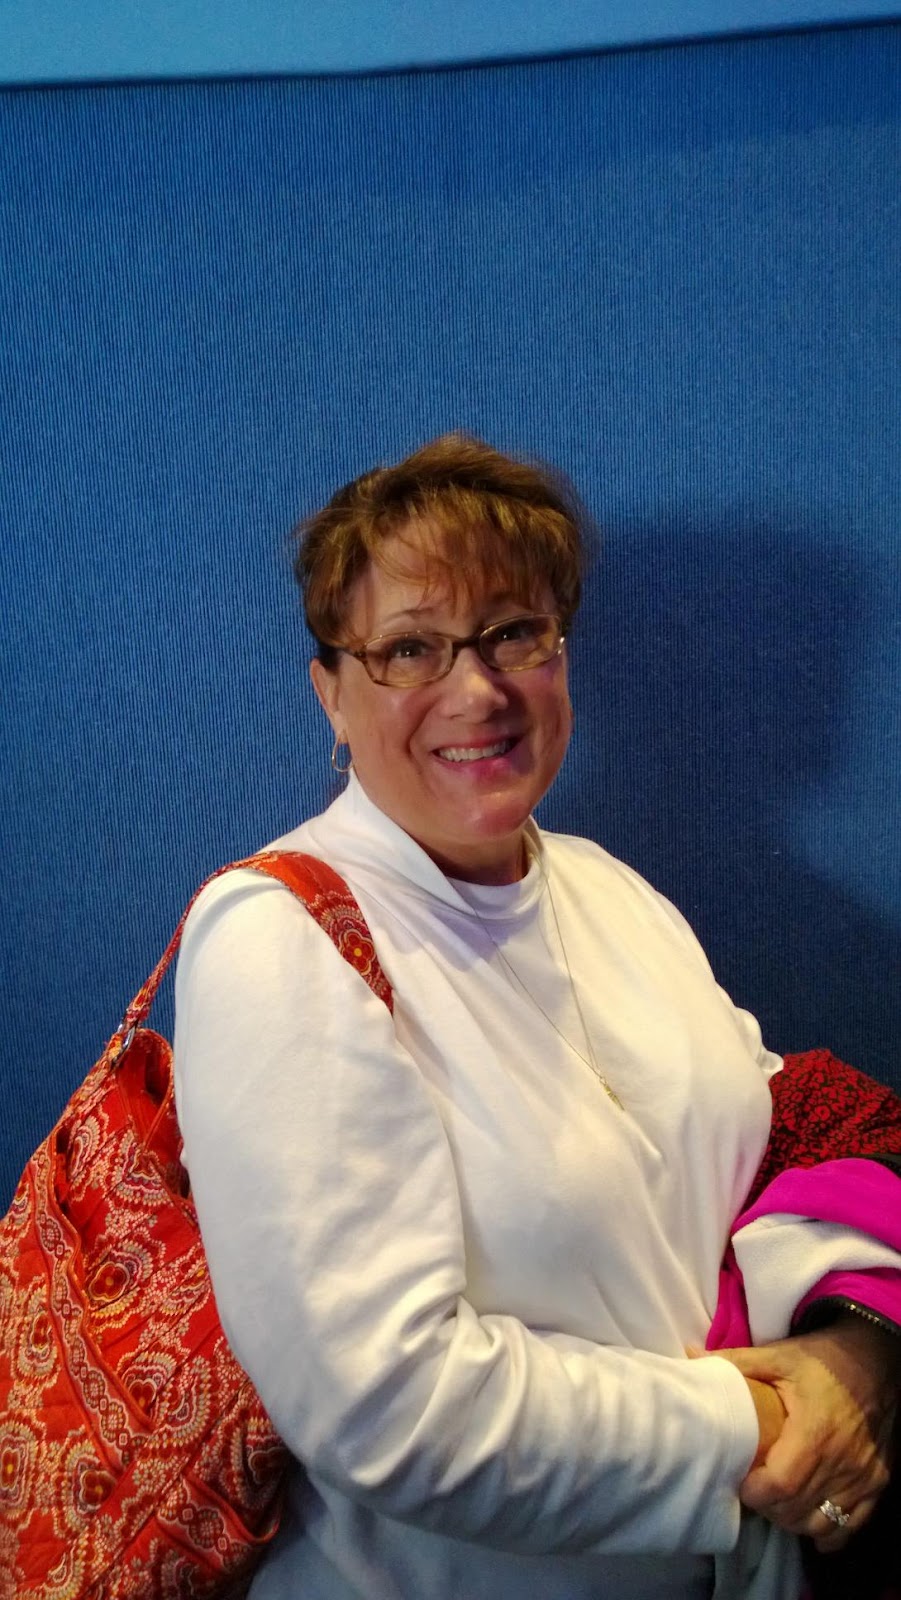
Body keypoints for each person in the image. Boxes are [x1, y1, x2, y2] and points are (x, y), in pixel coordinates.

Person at [174, 435, 901, 1600]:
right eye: (409, 648)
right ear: (332, 694)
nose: (476, 690)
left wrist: (854, 1354)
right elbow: (389, 1407)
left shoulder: (610, 892)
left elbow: (783, 1141)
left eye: (512, 632)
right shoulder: (279, 935)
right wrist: (769, 1425)